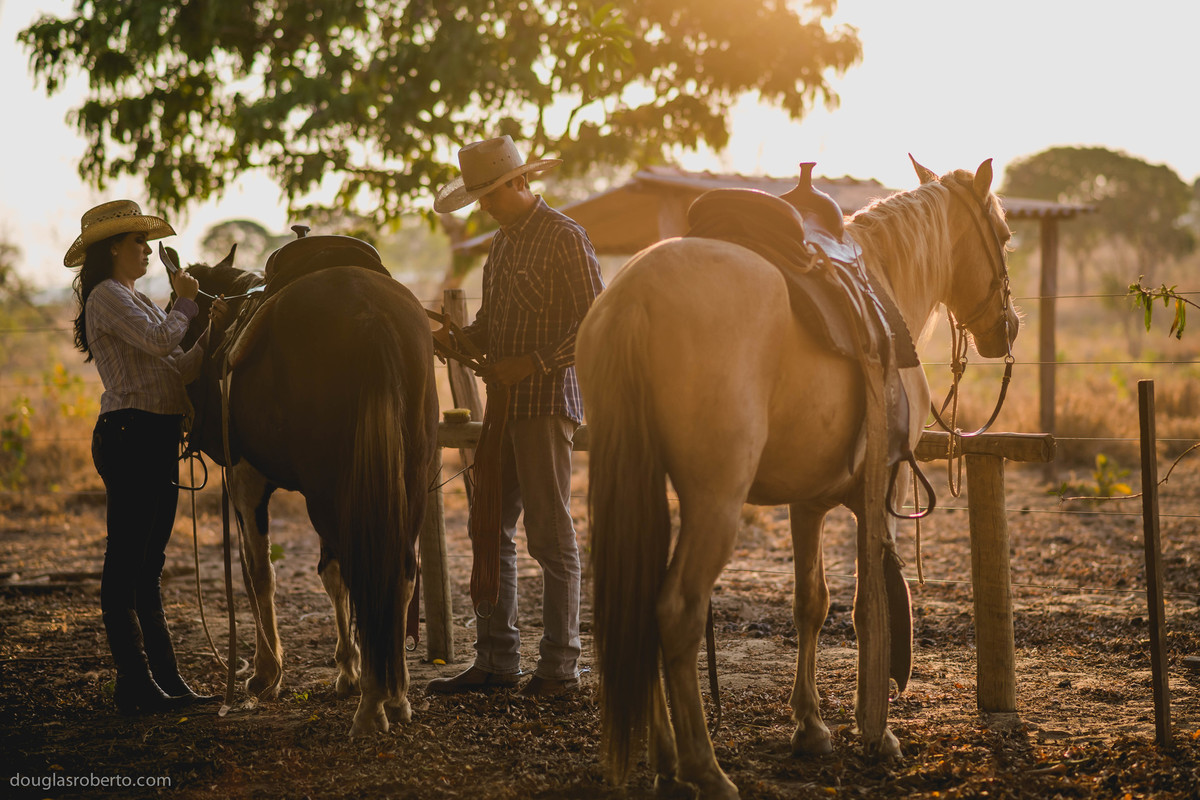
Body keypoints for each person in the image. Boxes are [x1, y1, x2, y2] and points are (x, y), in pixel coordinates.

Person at [428, 135, 604, 698]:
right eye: (478, 196)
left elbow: (594, 325)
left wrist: (529, 364)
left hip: (545, 405)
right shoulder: (502, 246)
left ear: (519, 183)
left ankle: (560, 667)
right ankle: (497, 661)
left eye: (489, 194)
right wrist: (451, 339)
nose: (483, 205)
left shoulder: (565, 237)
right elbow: (491, 329)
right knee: (491, 531)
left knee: (550, 538)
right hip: (506, 410)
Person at [65, 200, 227, 714]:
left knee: (147, 564)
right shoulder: (108, 296)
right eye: (138, 242)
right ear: (114, 247)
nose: (147, 251)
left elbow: (177, 368)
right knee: (128, 564)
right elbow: (162, 342)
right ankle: (136, 683)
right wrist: (184, 304)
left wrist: (209, 327)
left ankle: (163, 682)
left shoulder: (132, 298)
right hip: (131, 433)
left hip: (152, 434)